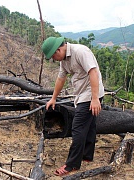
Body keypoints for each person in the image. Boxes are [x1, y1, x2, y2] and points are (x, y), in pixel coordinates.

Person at [41, 37, 104, 176]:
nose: (54, 59)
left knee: (78, 127)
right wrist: (53, 98)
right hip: (81, 93)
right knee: (90, 124)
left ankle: (72, 164)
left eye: (53, 56)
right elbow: (61, 78)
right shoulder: (64, 60)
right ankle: (87, 155)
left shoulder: (80, 51)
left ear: (58, 50)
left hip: (91, 93)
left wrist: (95, 99)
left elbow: (93, 72)